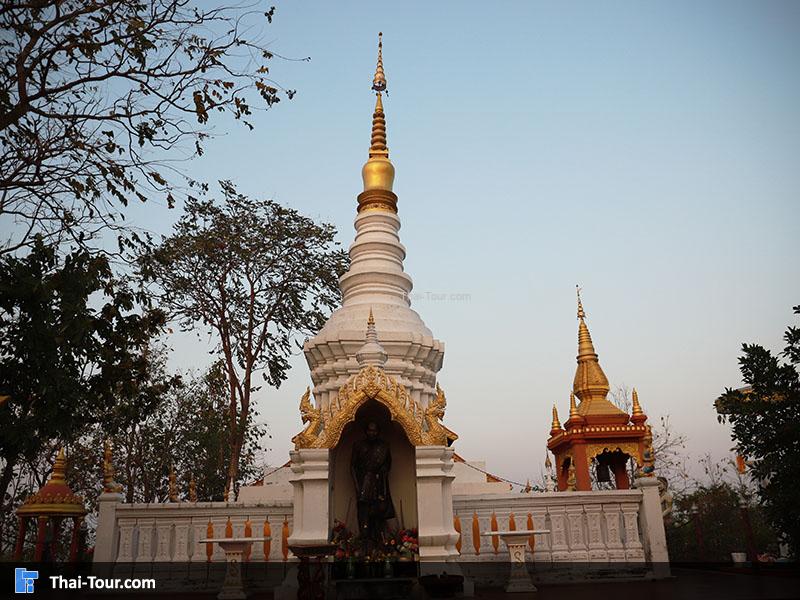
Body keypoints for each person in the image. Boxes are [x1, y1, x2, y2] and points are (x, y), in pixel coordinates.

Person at [350, 421, 395, 553]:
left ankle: (379, 542)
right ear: (366, 431)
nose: (372, 433)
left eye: (374, 431)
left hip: (379, 483)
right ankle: (365, 541)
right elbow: (352, 466)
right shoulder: (358, 445)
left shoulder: (384, 446)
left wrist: (381, 474)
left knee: (379, 513)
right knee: (364, 514)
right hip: (364, 482)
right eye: (370, 430)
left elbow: (388, 464)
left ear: (378, 431)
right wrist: (358, 487)